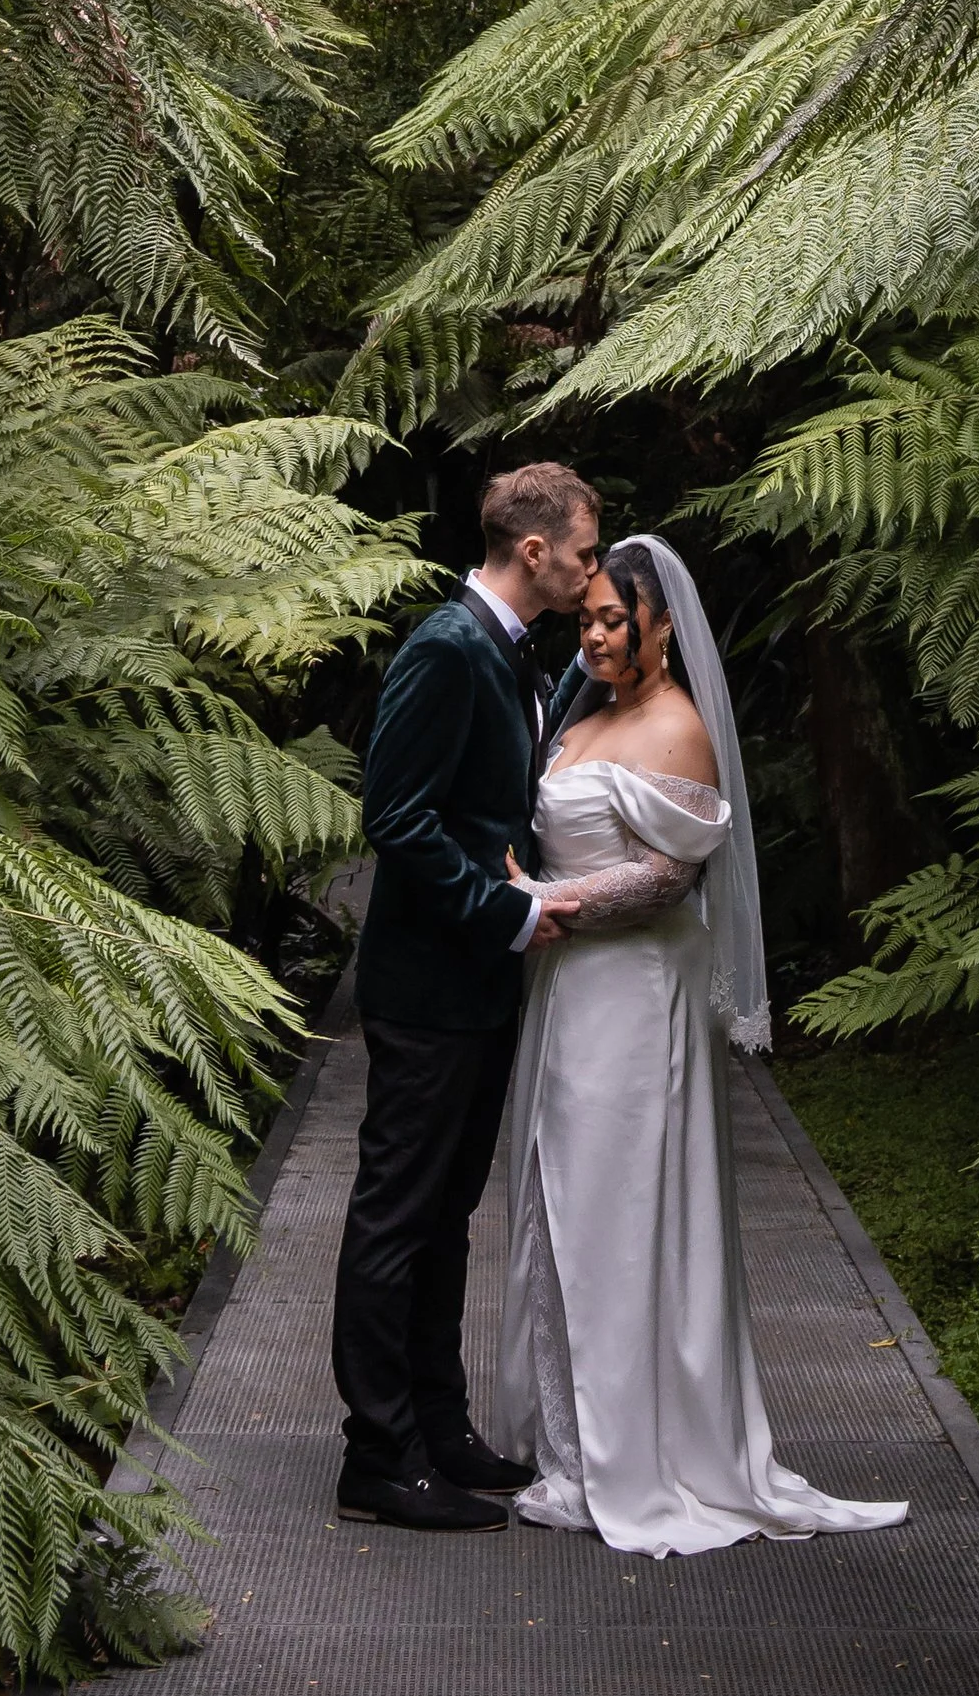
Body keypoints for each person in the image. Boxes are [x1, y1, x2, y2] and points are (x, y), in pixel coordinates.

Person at [491, 533, 911, 1555]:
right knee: (563, 1197)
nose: (591, 634)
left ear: (664, 626)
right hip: (569, 983)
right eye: (585, 616)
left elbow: (666, 881)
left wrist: (537, 899)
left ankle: (639, 1456)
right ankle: (580, 1451)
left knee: (621, 1208)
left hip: (631, 993)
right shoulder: (583, 707)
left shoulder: (675, 727)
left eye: (611, 619)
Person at [330, 459, 601, 1532]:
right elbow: (394, 819)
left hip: (478, 989)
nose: (590, 568)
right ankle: (376, 1453)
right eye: (582, 549)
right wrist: (509, 915)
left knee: (447, 1219)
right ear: (532, 551)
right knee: (397, 1216)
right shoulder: (444, 650)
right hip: (429, 984)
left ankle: (440, 1429)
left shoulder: (511, 653)